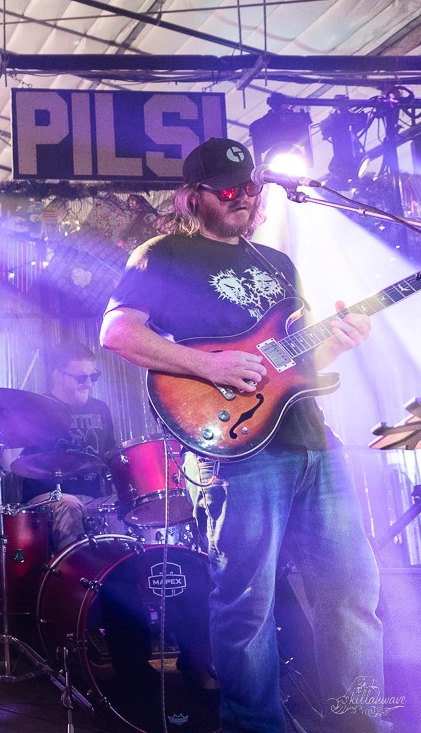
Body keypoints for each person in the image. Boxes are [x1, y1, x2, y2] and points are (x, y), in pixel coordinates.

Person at [100, 137, 387, 732]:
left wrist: (340, 340)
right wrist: (209, 366)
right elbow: (118, 333)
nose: (244, 197)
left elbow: (294, 365)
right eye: (228, 189)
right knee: (246, 604)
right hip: (235, 449)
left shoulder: (276, 263)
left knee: (352, 591)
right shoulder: (164, 255)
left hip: (312, 441)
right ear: (193, 196)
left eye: (250, 187)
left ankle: (358, 723)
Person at [19, 339, 117, 551]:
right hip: (47, 498)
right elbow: (15, 460)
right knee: (70, 504)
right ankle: (74, 570)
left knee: (125, 505)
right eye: (81, 378)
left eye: (93, 376)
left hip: (93, 498)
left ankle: (119, 568)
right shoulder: (37, 408)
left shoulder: (101, 409)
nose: (89, 384)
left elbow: (111, 455)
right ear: (58, 376)